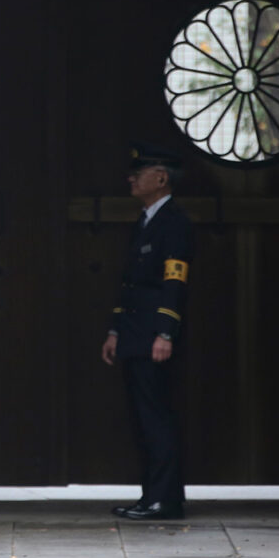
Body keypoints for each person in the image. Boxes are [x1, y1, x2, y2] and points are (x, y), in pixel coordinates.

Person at [102, 142, 193, 521]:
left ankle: (164, 500)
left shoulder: (174, 223)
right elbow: (131, 284)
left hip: (153, 336)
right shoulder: (145, 220)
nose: (131, 179)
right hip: (135, 334)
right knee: (143, 418)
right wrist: (115, 330)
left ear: (161, 178)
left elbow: (174, 282)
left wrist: (165, 333)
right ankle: (151, 496)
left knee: (156, 418)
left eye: (138, 174)